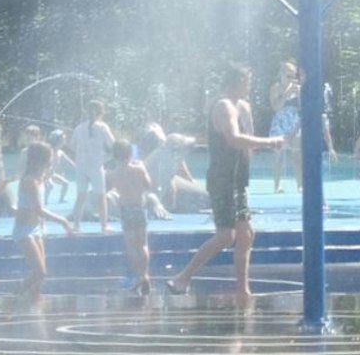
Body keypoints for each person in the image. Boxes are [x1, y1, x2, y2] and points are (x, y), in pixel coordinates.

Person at [167, 66, 283, 300]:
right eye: (248, 82)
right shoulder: (223, 106)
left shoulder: (237, 106)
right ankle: (182, 277)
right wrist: (269, 143)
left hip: (236, 180)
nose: (250, 87)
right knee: (226, 236)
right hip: (223, 180)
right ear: (238, 81)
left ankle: (243, 290)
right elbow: (233, 139)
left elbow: (243, 131)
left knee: (247, 234)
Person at [12, 140, 75, 301]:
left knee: (40, 276)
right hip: (24, 230)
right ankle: (13, 297)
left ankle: (35, 307)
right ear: (42, 160)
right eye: (50, 158)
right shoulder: (29, 181)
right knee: (40, 271)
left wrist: (43, 226)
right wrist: (63, 221)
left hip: (36, 229)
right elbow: (38, 209)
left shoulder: (40, 179)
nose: (52, 161)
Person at [108, 137, 156, 294]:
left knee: (131, 247)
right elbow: (148, 185)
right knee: (143, 245)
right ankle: (145, 275)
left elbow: (110, 188)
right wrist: (143, 169)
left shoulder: (114, 174)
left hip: (126, 210)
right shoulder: (138, 169)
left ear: (115, 155)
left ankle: (140, 277)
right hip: (139, 208)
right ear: (130, 153)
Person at [70, 100, 115, 232]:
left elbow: (72, 146)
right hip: (96, 166)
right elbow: (113, 145)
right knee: (101, 197)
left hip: (81, 166)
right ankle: (104, 225)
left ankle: (76, 225)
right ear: (102, 113)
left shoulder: (79, 128)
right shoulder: (103, 127)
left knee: (81, 196)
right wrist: (107, 155)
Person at [267, 61, 302, 193]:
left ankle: (300, 185)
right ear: (281, 75)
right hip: (280, 122)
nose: (291, 79)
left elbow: (302, 108)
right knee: (278, 156)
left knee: (297, 156)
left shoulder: (297, 88)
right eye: (288, 76)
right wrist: (286, 94)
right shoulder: (275, 88)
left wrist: (299, 95)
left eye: (293, 76)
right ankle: (277, 185)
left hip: (294, 121)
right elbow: (275, 107)